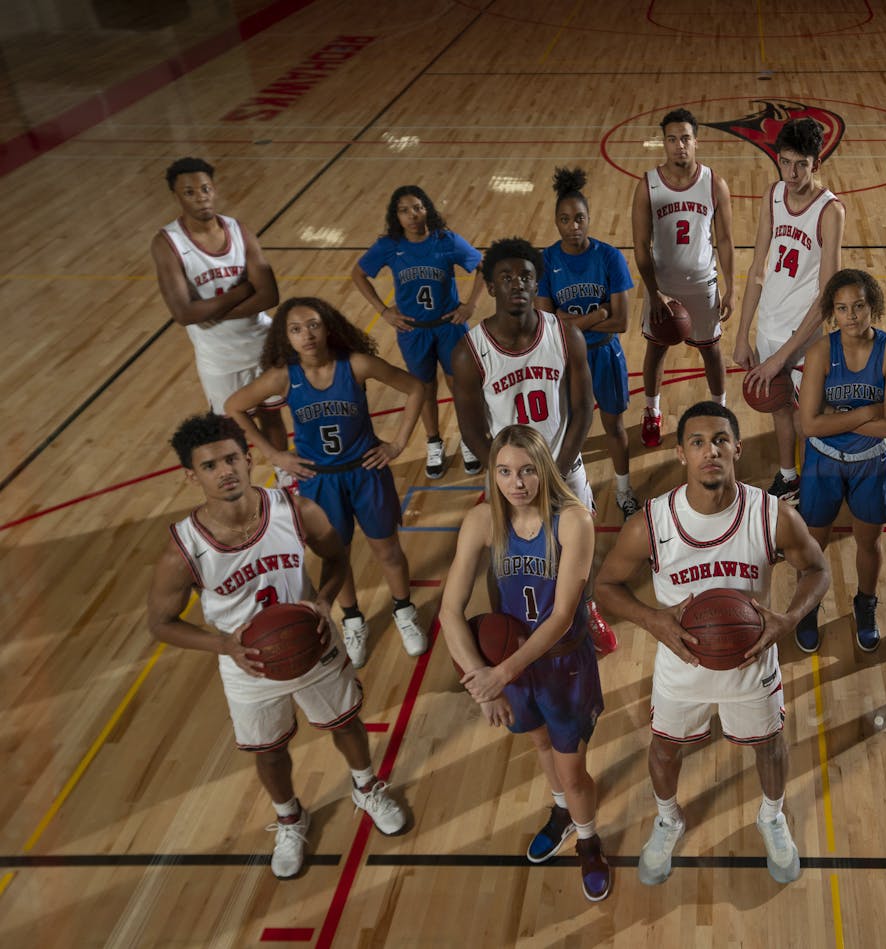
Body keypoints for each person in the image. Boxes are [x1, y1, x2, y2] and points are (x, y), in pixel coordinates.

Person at [148, 413, 409, 880]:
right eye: (210, 466)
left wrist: (324, 601)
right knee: (268, 752)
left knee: (346, 723)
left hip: (312, 641)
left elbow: (337, 557)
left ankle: (366, 787)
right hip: (246, 664)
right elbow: (162, 624)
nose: (225, 471)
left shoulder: (295, 510)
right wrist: (224, 646)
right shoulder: (183, 549)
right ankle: (290, 818)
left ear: (249, 459)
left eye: (231, 459)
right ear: (191, 476)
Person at [594, 403, 830, 887]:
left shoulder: (773, 515)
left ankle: (772, 815)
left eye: (721, 440)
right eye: (698, 442)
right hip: (682, 669)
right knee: (664, 749)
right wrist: (650, 619)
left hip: (751, 663)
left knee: (769, 744)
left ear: (737, 449)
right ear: (681, 453)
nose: (710, 451)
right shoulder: (652, 524)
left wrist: (788, 619)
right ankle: (668, 817)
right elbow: (605, 586)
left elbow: (818, 570)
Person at [439, 425, 611, 901]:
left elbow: (558, 619)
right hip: (511, 668)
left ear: (545, 470)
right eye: (506, 472)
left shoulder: (574, 521)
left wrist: (500, 674)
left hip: (562, 663)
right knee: (539, 745)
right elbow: (449, 612)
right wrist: (483, 684)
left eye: (528, 470)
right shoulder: (480, 523)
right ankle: (561, 814)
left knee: (573, 769)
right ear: (493, 474)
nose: (517, 482)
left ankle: (590, 841)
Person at [225, 297, 428, 670]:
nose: (307, 335)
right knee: (338, 555)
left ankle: (404, 610)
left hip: (366, 472)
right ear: (286, 338)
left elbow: (416, 388)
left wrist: (397, 443)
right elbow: (234, 406)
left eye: (314, 325)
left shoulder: (355, 364)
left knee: (388, 550)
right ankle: (352, 619)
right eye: (296, 329)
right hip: (319, 481)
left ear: (329, 326)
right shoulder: (284, 377)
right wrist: (274, 453)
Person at [451, 238, 617, 654]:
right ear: (490, 287)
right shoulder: (470, 352)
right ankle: (505, 623)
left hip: (563, 463)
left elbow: (582, 410)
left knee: (580, 542)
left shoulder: (565, 336)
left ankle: (588, 607)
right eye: (505, 277)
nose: (517, 284)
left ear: (537, 280)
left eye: (525, 276)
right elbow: (472, 432)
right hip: (508, 476)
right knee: (501, 553)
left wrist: (555, 470)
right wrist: (508, 477)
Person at [151, 157, 291, 483]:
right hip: (218, 359)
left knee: (273, 418)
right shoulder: (168, 243)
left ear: (214, 190)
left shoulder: (238, 230)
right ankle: (247, 488)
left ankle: (286, 479)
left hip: (261, 345)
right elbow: (184, 314)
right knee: (233, 432)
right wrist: (241, 292)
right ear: (177, 196)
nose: (201, 197)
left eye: (205, 189)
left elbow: (269, 295)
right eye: (190, 192)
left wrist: (211, 311)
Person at [793, 270, 886, 653]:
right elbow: (809, 425)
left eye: (859, 306)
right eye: (842, 308)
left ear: (872, 306)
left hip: (871, 462)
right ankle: (808, 605)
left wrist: (836, 419)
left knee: (869, 541)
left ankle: (865, 603)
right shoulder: (821, 352)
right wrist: (865, 414)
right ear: (832, 314)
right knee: (812, 542)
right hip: (823, 459)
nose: (852, 315)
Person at [733, 117, 846, 506]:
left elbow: (829, 295)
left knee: (811, 421)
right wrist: (743, 332)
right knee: (778, 408)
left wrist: (783, 355)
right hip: (769, 328)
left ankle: (822, 487)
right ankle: (788, 477)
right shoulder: (772, 195)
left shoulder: (830, 211)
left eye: (802, 164)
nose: (792, 173)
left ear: (817, 163)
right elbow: (758, 270)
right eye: (785, 162)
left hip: (805, 338)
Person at [351, 185, 485, 479]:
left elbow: (482, 266)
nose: (412, 215)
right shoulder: (390, 246)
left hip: (449, 326)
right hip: (413, 331)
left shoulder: (446, 240)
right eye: (404, 210)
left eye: (417, 207)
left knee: (459, 386)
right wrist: (383, 311)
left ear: (428, 210)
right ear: (395, 216)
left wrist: (470, 305)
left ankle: (468, 439)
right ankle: (434, 442)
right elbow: (358, 274)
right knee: (423, 389)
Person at [534, 167, 640, 519]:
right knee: (565, 429)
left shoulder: (609, 256)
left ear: (589, 218)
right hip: (565, 358)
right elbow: (549, 324)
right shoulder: (547, 261)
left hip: (605, 354)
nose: (573, 226)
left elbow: (622, 321)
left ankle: (624, 489)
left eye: (579, 218)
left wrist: (572, 321)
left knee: (614, 426)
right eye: (565, 219)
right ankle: (567, 490)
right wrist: (596, 316)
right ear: (556, 222)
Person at [631, 108, 736, 448]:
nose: (679, 146)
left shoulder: (714, 183)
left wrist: (731, 288)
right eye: (672, 139)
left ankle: (721, 412)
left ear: (696, 142)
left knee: (712, 351)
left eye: (686, 139)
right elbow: (640, 247)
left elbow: (724, 241)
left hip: (702, 284)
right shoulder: (648, 185)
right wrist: (654, 292)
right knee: (656, 349)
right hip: (663, 288)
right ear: (663, 143)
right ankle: (652, 412)